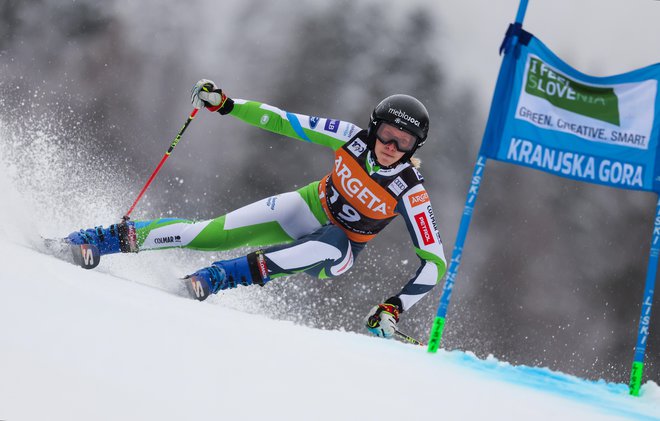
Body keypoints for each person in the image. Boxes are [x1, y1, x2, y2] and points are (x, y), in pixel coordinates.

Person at [66, 79, 447, 339]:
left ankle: (217, 277)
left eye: (404, 142)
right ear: (373, 127)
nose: (392, 147)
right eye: (387, 135)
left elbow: (435, 263)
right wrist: (227, 105)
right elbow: (284, 121)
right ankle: (97, 241)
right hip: (306, 207)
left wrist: (393, 308)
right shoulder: (350, 138)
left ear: (415, 148)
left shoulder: (410, 191)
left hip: (341, 250)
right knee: (207, 233)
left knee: (330, 240)